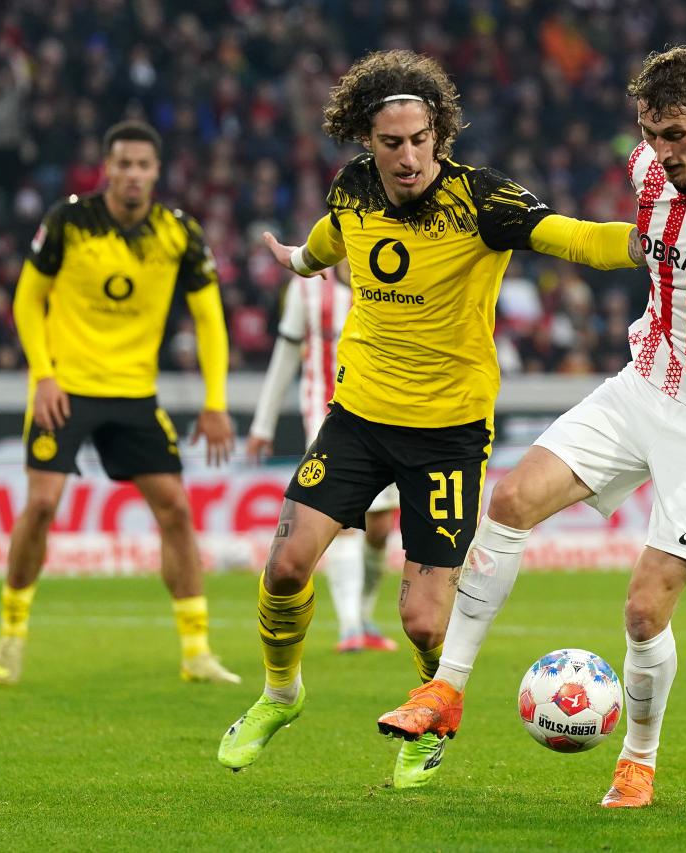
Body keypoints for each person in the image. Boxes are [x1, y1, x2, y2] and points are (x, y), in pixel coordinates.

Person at [376, 45, 686, 808]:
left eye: (677, 135)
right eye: (650, 134)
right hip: (644, 385)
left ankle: (637, 759)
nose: (663, 152)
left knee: (642, 608)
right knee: (509, 501)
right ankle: (446, 690)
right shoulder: (645, 170)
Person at [217, 49, 644, 789]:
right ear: (367, 141)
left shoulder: (483, 200)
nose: (409, 157)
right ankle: (280, 696)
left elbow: (574, 236)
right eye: (392, 143)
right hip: (358, 418)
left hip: (448, 434)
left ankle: (433, 715)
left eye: (421, 140)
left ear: (439, 133)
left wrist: (651, 243)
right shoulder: (353, 189)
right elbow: (330, 239)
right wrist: (298, 261)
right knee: (284, 567)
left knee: (422, 620)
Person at [0, 120, 241, 687]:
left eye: (142, 165)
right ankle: (12, 630)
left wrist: (216, 402)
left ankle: (196, 650)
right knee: (42, 505)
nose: (132, 174)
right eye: (123, 164)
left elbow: (209, 319)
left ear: (156, 172)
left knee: (175, 509)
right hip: (66, 388)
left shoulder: (179, 232)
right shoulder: (69, 221)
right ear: (107, 168)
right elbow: (27, 300)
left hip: (133, 393)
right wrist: (43, 376)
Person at [247, 262, 400, 654]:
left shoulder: (393, 275)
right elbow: (286, 352)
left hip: (386, 414)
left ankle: (363, 616)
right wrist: (263, 423)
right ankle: (350, 627)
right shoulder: (308, 288)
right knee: (343, 519)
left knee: (380, 527)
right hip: (327, 417)